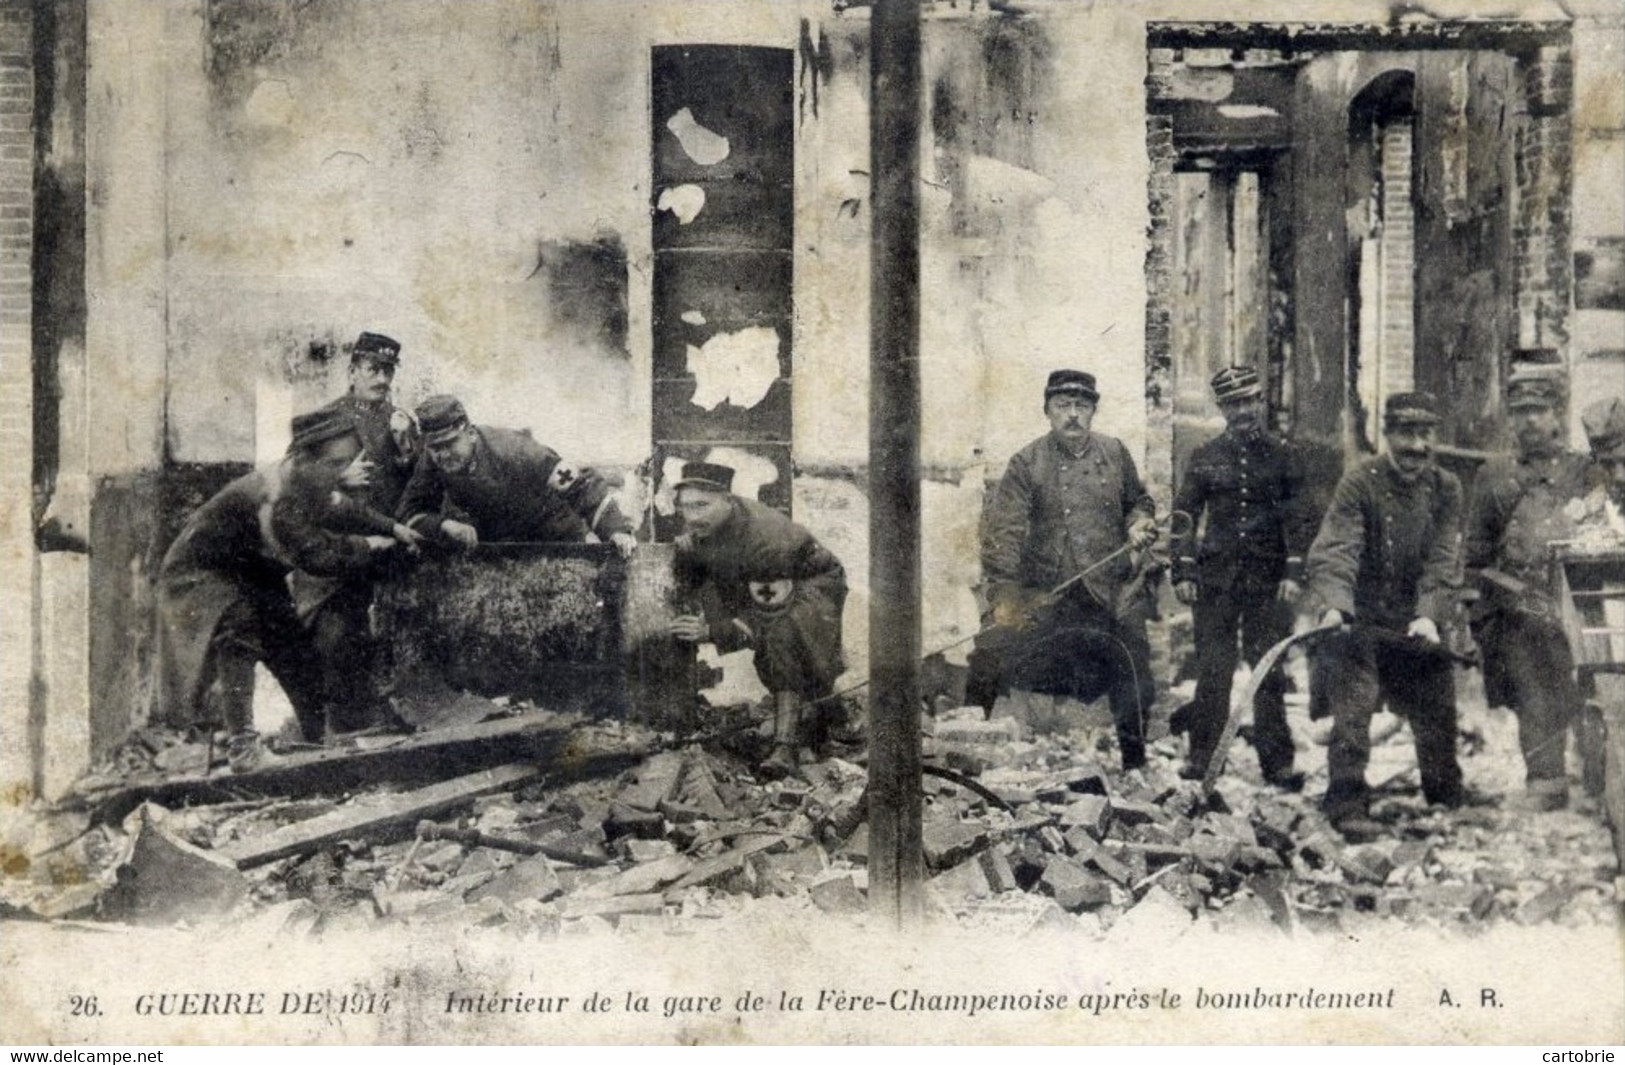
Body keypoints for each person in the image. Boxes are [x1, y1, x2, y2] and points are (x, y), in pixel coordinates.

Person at [156, 410, 418, 770]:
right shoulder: (280, 498)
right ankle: (244, 749)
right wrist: (371, 545)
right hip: (202, 573)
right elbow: (320, 558)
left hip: (251, 571)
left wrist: (393, 528)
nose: (342, 471)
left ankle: (314, 741)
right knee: (241, 627)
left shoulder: (309, 476)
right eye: (336, 463)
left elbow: (340, 509)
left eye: (348, 462)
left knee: (293, 647)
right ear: (304, 459)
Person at [972, 369, 1159, 771]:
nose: (1072, 415)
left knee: (1134, 659)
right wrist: (1006, 598)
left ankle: (1134, 763)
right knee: (988, 655)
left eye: (1081, 405)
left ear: (1093, 411)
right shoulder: (1027, 462)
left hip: (1104, 593)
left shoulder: (1115, 453)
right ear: (1048, 411)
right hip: (1046, 596)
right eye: (1063, 406)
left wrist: (1138, 524)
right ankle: (970, 754)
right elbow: (1004, 533)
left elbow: (1139, 503)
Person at [1302, 391, 1468, 839]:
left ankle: (1444, 795)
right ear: (1386, 434)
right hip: (1361, 621)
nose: (1416, 446)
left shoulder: (1446, 488)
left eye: (1425, 434)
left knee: (1437, 705)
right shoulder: (1360, 482)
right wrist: (1336, 606)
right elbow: (1338, 549)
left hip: (1415, 621)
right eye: (1406, 434)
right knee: (1352, 710)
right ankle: (1347, 801)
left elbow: (1444, 558)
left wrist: (1431, 614)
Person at [1170, 365, 1315, 789]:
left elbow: (1300, 519)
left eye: (1248, 401)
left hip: (1267, 581)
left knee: (1268, 668)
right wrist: (1183, 568)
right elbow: (1183, 518)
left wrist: (1293, 570)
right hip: (1215, 581)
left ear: (1259, 401)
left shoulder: (1284, 456)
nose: (1243, 411)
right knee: (1213, 667)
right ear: (1223, 408)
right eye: (1233, 404)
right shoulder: (1204, 458)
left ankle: (1278, 763)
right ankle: (1202, 757)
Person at [665, 461, 847, 777]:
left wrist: (711, 631)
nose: (692, 517)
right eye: (685, 507)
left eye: (702, 505)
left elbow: (766, 616)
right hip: (762, 584)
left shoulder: (766, 541)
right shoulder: (710, 526)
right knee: (793, 648)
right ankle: (831, 718)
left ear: (727, 499)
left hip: (816, 584)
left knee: (781, 639)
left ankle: (785, 747)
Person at [1464, 368, 1593, 811]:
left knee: (1590, 688)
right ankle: (1547, 781)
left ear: (1557, 413)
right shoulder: (1494, 476)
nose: (1528, 421)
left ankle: (1599, 775)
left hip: (1579, 601)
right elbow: (1477, 555)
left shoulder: (1584, 470)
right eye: (1519, 412)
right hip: (1520, 609)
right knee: (1532, 690)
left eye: (1537, 410)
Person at [295, 331, 421, 735]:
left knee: (389, 634)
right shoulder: (325, 419)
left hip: (390, 549)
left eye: (388, 371)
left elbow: (419, 482)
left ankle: (386, 715)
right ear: (353, 372)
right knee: (337, 636)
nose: (382, 379)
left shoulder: (399, 420)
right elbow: (290, 477)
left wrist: (407, 451)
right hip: (343, 551)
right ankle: (338, 725)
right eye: (373, 369)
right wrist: (337, 475)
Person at [396, 394, 637, 555]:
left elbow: (579, 484)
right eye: (436, 447)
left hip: (554, 534)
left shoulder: (514, 449)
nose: (443, 454)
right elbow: (408, 511)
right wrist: (443, 525)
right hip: (499, 543)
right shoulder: (431, 460)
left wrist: (615, 529)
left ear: (469, 433)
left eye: (450, 444)